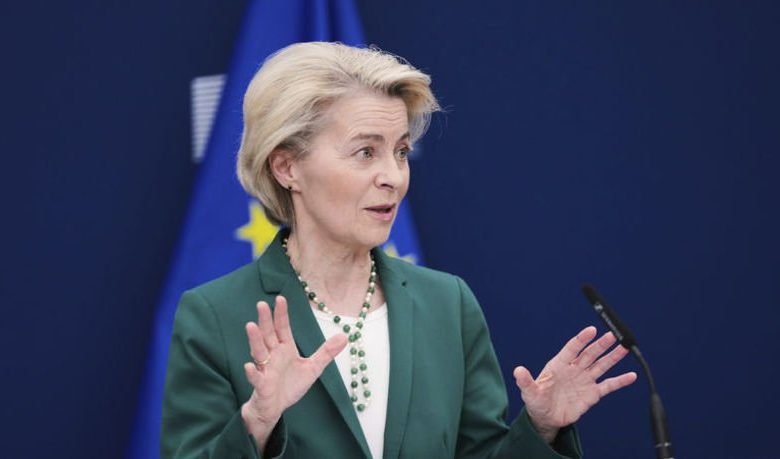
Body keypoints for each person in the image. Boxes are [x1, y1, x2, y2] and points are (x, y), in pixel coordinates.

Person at [161, 42, 637, 459]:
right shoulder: (215, 316)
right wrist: (258, 422)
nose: (393, 176)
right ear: (287, 167)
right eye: (366, 152)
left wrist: (541, 429)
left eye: (401, 151)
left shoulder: (447, 304)